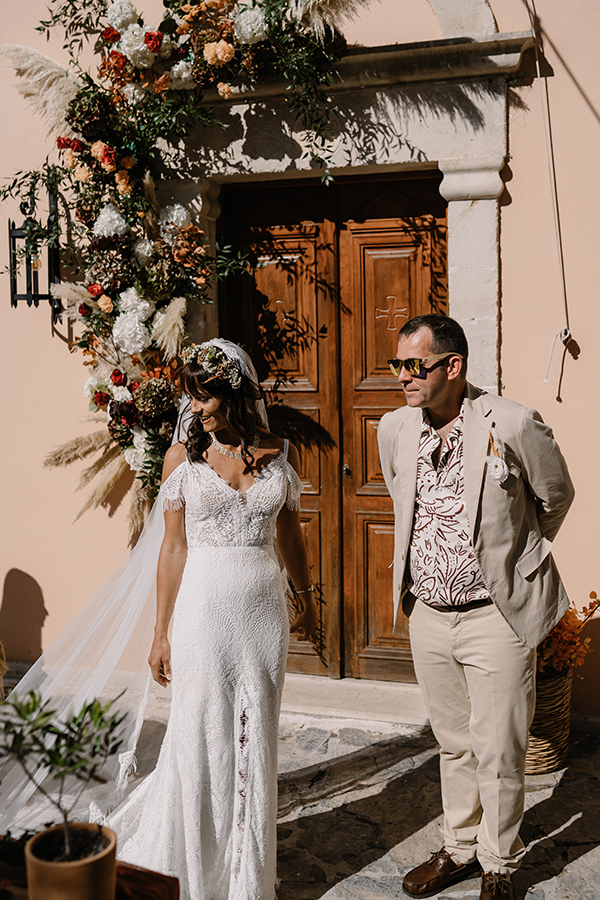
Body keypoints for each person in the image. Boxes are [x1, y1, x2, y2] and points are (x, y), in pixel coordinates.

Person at [108, 339, 317, 900]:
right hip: (203, 612)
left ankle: (247, 870)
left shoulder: (278, 449)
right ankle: (196, 864)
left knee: (257, 735)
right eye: (191, 398)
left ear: (232, 393)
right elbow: (172, 549)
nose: (194, 408)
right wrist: (159, 633)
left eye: (203, 397)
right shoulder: (184, 461)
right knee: (203, 732)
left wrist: (307, 598)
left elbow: (290, 534)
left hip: (262, 613)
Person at [377, 315, 574, 900]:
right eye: (398, 366)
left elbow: (555, 495)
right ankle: (460, 848)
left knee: (501, 748)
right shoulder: (395, 428)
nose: (403, 379)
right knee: (454, 742)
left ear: (452, 367)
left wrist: (515, 559)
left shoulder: (511, 423)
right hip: (430, 614)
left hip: (497, 613)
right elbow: (400, 496)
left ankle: (500, 863)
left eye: (413, 366)